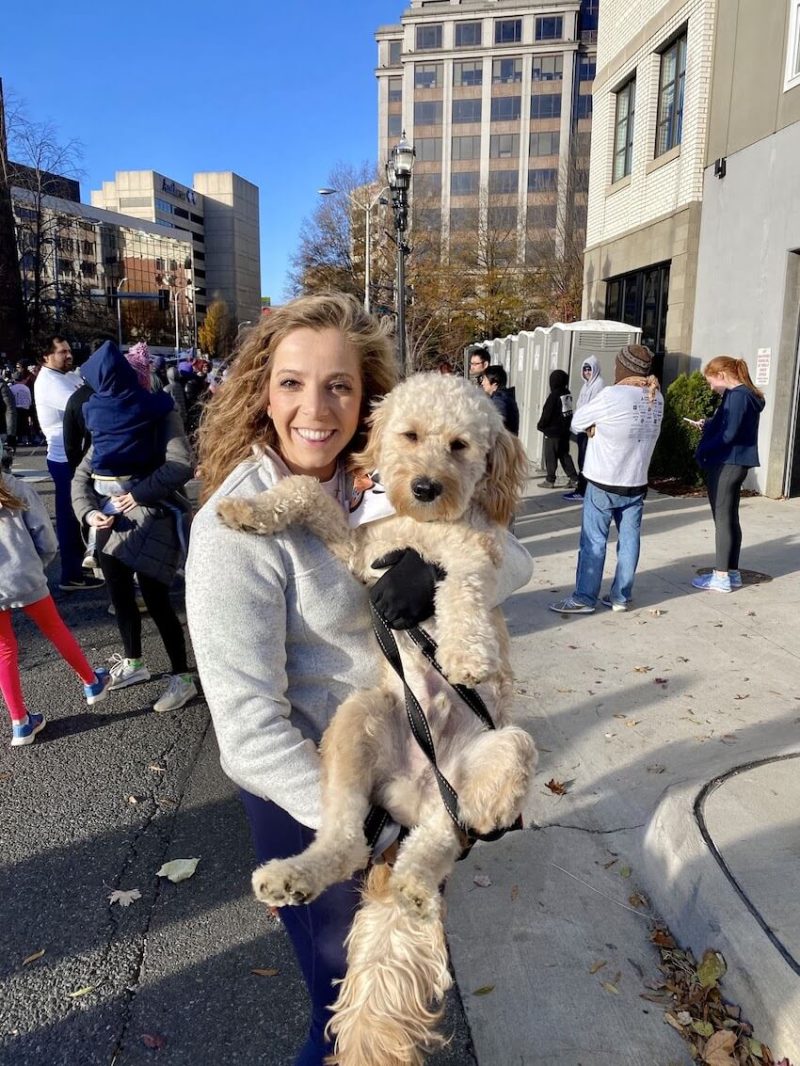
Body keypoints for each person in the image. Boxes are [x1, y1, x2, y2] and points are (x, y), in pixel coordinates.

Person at [185, 293, 532, 1066]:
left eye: (339, 385)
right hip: (318, 790)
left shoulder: (380, 470)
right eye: (292, 384)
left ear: (366, 398)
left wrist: (445, 581)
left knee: (397, 1001)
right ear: (261, 394)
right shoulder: (233, 530)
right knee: (349, 1006)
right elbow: (246, 732)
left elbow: (513, 554)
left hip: (417, 762)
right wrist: (368, 829)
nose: (316, 407)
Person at [72, 342, 197, 712]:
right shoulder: (109, 418)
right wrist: (88, 513)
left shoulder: (160, 414)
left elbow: (180, 464)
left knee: (158, 601)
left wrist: (138, 494)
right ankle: (135, 662)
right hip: (109, 523)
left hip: (152, 517)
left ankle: (182, 676)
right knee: (120, 597)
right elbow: (84, 473)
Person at [0, 446, 111, 747]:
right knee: (54, 628)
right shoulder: (15, 488)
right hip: (25, 576)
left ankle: (20, 723)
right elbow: (45, 539)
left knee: (4, 650)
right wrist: (40, 564)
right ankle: (91, 682)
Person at [549, 344, 663, 614]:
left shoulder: (612, 395)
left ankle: (585, 597)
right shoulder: (656, 396)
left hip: (604, 480)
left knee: (593, 541)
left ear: (623, 367)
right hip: (636, 481)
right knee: (630, 540)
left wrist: (595, 425)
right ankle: (621, 596)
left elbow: (577, 422)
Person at [33, 337, 103, 591]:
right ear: (46, 357)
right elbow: (85, 406)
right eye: (62, 352)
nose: (69, 355)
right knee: (70, 516)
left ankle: (85, 565)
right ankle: (71, 574)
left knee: (83, 511)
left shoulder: (66, 376)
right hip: (64, 459)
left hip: (77, 455)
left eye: (70, 350)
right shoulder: (49, 382)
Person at [691, 356, 765, 594]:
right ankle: (731, 573)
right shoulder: (746, 396)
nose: (711, 388)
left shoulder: (736, 396)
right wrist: (710, 424)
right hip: (739, 462)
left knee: (722, 520)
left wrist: (703, 450)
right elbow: (729, 425)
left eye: (711, 381)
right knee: (730, 518)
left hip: (728, 463)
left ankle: (721, 577)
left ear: (722, 375)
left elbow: (729, 433)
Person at [563, 355, 605, 502]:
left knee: (586, 461)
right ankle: (582, 489)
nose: (587, 372)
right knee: (582, 460)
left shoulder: (598, 385)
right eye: (585, 369)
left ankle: (583, 490)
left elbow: (593, 408)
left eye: (589, 369)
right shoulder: (586, 385)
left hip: (589, 430)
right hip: (582, 428)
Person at [537, 369, 578, 489]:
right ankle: (574, 478)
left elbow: (547, 413)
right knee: (564, 455)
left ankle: (550, 480)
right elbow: (568, 413)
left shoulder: (554, 395)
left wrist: (541, 426)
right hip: (564, 432)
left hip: (552, 432)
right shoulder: (567, 394)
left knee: (551, 456)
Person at [481, 364, 520, 435]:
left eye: (485, 379)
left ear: (494, 384)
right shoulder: (503, 397)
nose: (482, 383)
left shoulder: (499, 400)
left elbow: (497, 426)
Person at [10, 372, 32, 445]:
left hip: (16, 408)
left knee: (17, 424)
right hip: (25, 408)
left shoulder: (12, 388)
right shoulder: (26, 388)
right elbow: (29, 399)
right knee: (25, 423)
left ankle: (18, 438)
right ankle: (25, 438)